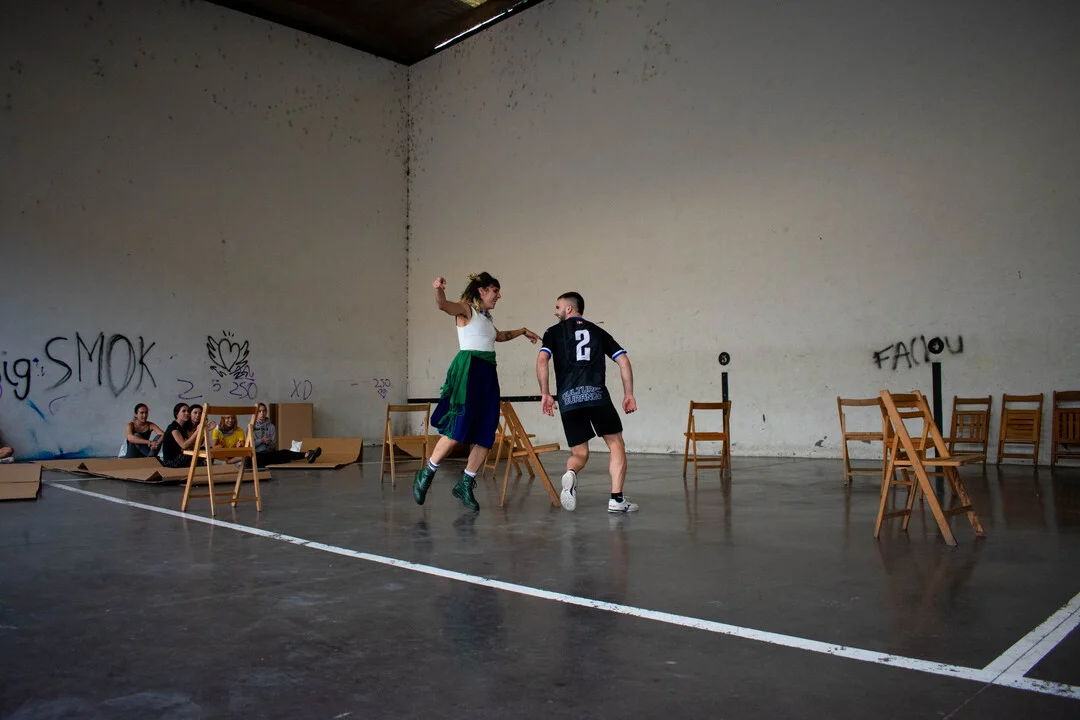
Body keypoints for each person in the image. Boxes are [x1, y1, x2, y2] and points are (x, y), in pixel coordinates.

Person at [413, 272, 540, 511]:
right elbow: (442, 305)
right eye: (495, 291)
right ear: (482, 291)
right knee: (458, 427)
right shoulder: (466, 310)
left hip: (487, 374)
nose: (498, 296)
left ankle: (465, 482)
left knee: (486, 430)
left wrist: (523, 331)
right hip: (470, 371)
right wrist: (438, 288)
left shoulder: (486, 319)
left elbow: (499, 336)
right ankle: (426, 472)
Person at [536, 292, 638, 513]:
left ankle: (571, 474)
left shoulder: (553, 332)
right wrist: (628, 393)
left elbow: (542, 359)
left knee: (579, 454)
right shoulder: (597, 331)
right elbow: (623, 360)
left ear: (569, 308)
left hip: (568, 399)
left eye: (558, 307)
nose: (555, 312)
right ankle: (616, 500)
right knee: (616, 444)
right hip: (597, 396)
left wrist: (545, 393)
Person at [250, 403, 321, 465]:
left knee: (284, 452)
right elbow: (250, 446)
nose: (262, 413)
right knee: (252, 460)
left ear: (266, 412)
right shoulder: (251, 426)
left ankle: (308, 454)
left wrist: (268, 443)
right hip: (257, 454)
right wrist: (261, 440)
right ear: (256, 413)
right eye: (259, 411)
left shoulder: (271, 427)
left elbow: (273, 445)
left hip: (269, 453)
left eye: (264, 411)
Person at [160, 403, 200, 468]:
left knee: (204, 452)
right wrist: (197, 431)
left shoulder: (182, 427)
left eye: (188, 411)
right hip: (171, 462)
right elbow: (184, 445)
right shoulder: (174, 427)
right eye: (183, 411)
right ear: (177, 414)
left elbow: (192, 444)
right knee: (198, 456)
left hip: (179, 457)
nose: (187, 413)